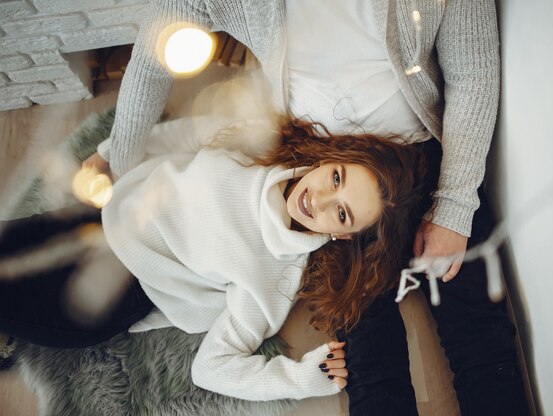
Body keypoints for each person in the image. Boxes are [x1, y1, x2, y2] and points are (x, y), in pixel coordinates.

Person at [94, 1, 530, 414]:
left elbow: (473, 73)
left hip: (423, 155)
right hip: (321, 167)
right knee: (369, 355)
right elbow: (157, 48)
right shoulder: (315, 202)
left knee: (480, 333)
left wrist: (452, 205)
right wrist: (123, 169)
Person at [0, 116, 427, 401]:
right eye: (336, 178)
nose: (319, 199)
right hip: (95, 219)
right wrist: (114, 149)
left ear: (341, 233)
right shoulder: (263, 143)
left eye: (342, 212)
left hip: (110, 293)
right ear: (332, 159)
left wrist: (298, 379)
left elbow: (212, 368)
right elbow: (179, 135)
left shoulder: (276, 274)